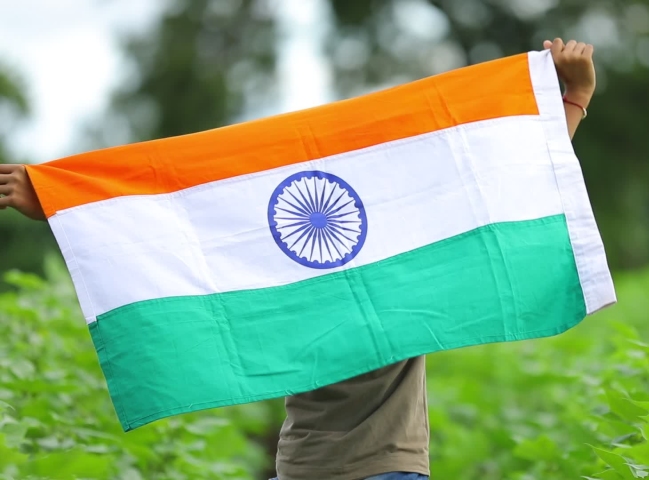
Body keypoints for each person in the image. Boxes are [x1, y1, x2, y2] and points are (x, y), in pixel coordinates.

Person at [0, 37, 596, 480]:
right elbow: (506, 183)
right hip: (393, 468)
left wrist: (59, 204)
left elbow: (167, 230)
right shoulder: (402, 255)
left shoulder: (270, 264)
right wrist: (574, 101)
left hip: (304, 466)